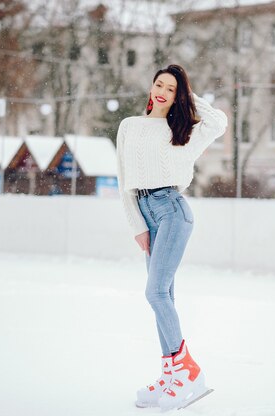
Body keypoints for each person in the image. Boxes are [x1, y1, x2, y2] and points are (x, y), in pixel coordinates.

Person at [116, 64, 227, 411]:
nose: (163, 91)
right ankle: (170, 375)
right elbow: (124, 182)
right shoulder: (129, 127)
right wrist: (137, 226)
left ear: (179, 95)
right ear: (151, 88)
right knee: (165, 296)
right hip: (147, 211)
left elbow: (219, 122)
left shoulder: (183, 131)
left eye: (172, 88)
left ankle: (187, 371)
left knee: (155, 292)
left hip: (173, 210)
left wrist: (188, 93)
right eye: (159, 84)